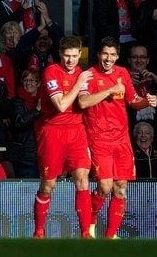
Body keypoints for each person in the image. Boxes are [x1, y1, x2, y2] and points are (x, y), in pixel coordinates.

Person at [78, 36, 157, 239]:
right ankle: (91, 221)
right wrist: (110, 90)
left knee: (121, 188)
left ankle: (111, 236)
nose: (108, 58)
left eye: (113, 54)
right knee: (104, 187)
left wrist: (148, 101)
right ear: (98, 54)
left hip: (122, 139)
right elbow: (84, 102)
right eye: (105, 53)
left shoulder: (122, 72)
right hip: (99, 138)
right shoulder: (88, 75)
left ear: (117, 56)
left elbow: (132, 100)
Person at [33, 36, 93, 239]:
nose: (70, 61)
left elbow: (84, 102)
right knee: (49, 184)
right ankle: (39, 231)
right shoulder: (51, 72)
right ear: (60, 54)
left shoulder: (82, 74)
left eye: (75, 56)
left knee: (82, 179)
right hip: (52, 132)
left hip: (76, 131)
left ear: (80, 55)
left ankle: (86, 233)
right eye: (67, 56)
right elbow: (61, 105)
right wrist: (78, 84)